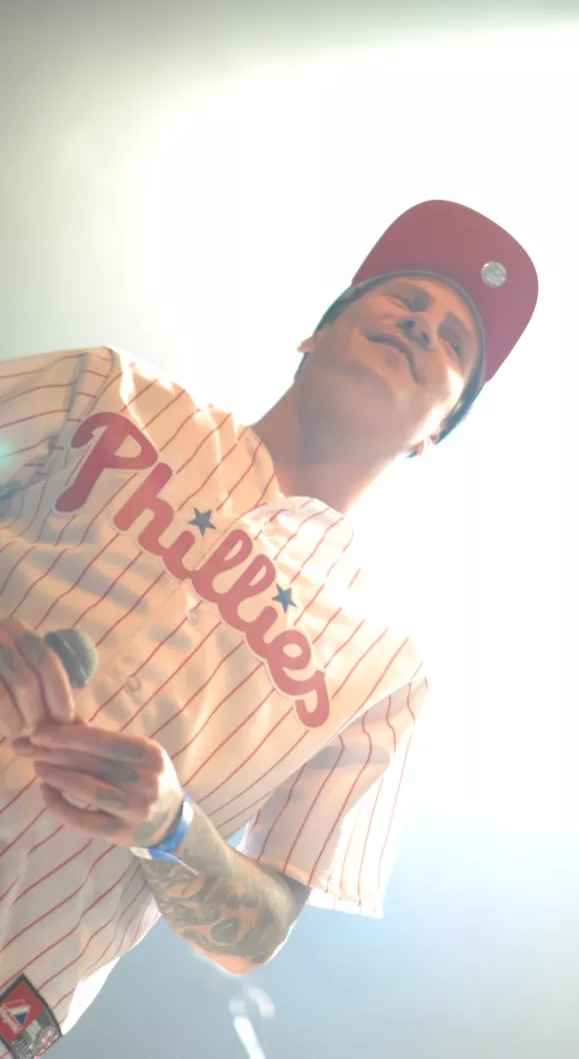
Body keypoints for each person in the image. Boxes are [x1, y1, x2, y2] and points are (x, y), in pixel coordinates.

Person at [0, 200, 538, 1054]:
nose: (421, 324)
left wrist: (171, 830)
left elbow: (258, 933)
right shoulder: (107, 389)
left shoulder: (387, 670)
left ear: (434, 433)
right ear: (312, 336)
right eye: (405, 299)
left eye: (453, 342)